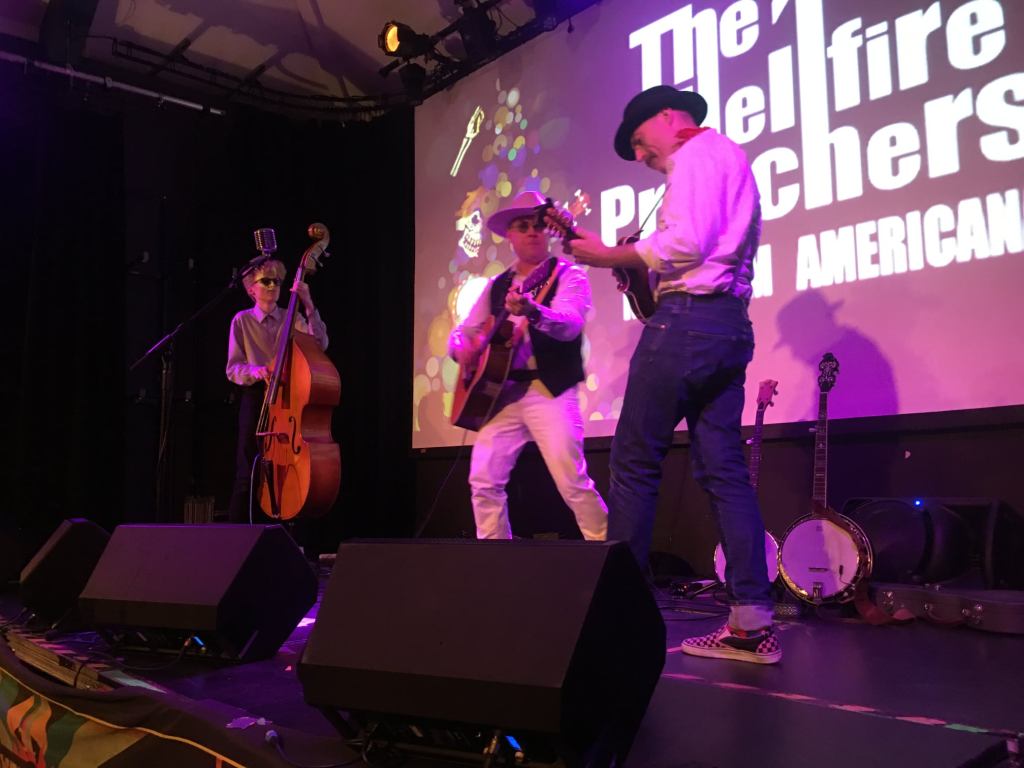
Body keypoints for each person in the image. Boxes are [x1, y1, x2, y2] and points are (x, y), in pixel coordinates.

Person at [565, 86, 780, 664]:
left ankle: (619, 619)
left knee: (634, 464)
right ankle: (751, 623)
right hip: (729, 326)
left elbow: (685, 245)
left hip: (688, 323)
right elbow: (702, 251)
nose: (639, 156)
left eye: (639, 142)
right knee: (724, 473)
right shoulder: (728, 156)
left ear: (666, 117)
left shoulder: (694, 155)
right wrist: (640, 273)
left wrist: (608, 255)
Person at [449, 190, 608, 542]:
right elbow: (464, 332)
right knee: (484, 481)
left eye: (538, 225)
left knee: (572, 481)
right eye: (523, 226)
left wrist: (534, 312)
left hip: (549, 389)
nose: (533, 231)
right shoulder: (498, 284)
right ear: (510, 234)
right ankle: (495, 561)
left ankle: (610, 553)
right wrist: (462, 349)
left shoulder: (569, 275)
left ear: (548, 231)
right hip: (502, 394)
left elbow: (569, 326)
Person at [225, 258, 329, 524]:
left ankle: (285, 523)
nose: (273, 286)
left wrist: (308, 304)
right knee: (247, 468)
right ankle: (238, 534)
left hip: (289, 398)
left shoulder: (292, 317)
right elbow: (233, 368)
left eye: (277, 281)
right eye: (266, 281)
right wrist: (256, 370)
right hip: (257, 396)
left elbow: (320, 344)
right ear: (251, 289)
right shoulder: (242, 321)